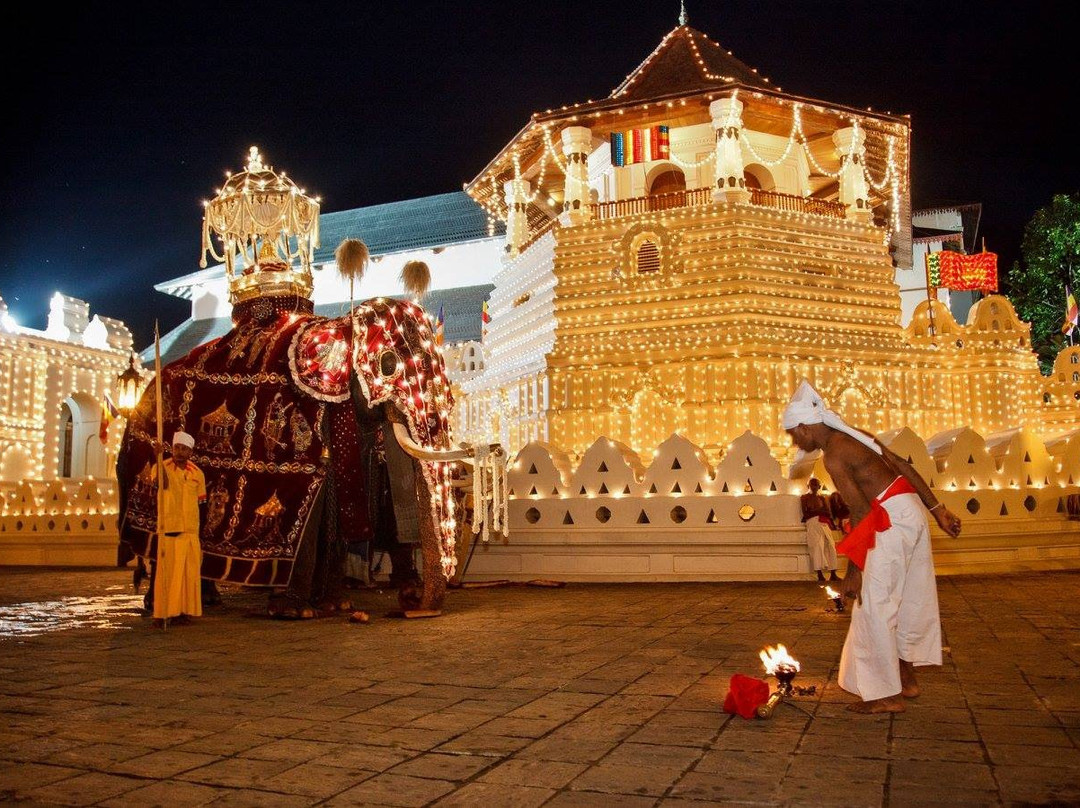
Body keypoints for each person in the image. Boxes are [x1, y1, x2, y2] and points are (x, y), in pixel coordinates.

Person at [783, 381, 961, 714]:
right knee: (908, 596)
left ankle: (885, 695)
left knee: (873, 606)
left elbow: (862, 511)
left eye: (794, 434)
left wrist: (854, 570)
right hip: (911, 511)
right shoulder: (859, 434)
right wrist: (938, 510)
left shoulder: (834, 456)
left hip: (888, 521)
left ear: (806, 427)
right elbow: (904, 468)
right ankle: (906, 680)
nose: (795, 442)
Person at [153, 431, 206, 628]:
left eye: (184, 449)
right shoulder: (162, 467)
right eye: (177, 447)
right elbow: (162, 484)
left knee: (187, 575)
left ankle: (183, 611)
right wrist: (157, 458)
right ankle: (164, 612)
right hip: (170, 527)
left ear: (190, 452)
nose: (179, 452)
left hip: (190, 529)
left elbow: (201, 502)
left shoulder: (197, 473)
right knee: (168, 575)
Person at [801, 477, 839, 582]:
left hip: (824, 523)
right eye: (812, 485)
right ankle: (819, 574)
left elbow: (827, 512)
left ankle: (833, 573)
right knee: (817, 546)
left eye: (816, 485)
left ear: (819, 486)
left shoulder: (822, 498)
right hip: (813, 523)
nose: (814, 487)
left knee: (831, 546)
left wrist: (817, 511)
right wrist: (819, 511)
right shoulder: (804, 497)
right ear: (808, 486)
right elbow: (806, 514)